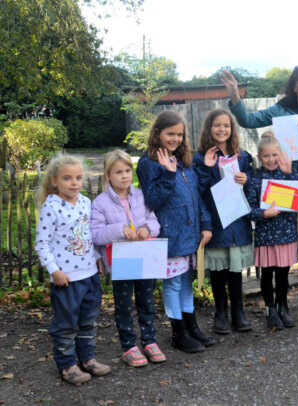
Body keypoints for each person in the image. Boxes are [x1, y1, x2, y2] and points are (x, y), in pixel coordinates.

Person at [222, 66, 298, 309]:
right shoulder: (282, 109)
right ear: (294, 86)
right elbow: (248, 120)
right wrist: (235, 96)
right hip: (285, 184)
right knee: (281, 234)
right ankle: (276, 301)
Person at [136, 111, 215, 353]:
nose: (176, 139)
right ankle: (178, 332)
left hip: (189, 233)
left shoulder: (184, 161)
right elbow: (154, 200)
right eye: (170, 134)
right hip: (169, 236)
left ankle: (191, 327)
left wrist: (205, 223)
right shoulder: (148, 163)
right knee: (171, 285)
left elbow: (196, 196)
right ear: (157, 133)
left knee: (185, 283)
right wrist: (168, 174)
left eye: (179, 134)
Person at [35, 154, 111, 385]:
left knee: (89, 320)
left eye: (78, 178)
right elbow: (42, 243)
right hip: (66, 280)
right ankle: (67, 366)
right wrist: (54, 271)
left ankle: (87, 359)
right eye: (67, 178)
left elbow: (90, 236)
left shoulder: (86, 203)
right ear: (54, 181)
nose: (74, 182)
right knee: (67, 324)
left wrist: (98, 258)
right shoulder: (52, 207)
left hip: (89, 276)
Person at [90, 150, 165, 367]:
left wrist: (146, 228)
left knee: (146, 300)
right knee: (123, 304)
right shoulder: (100, 203)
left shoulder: (141, 195)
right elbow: (96, 234)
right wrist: (120, 230)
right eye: (118, 172)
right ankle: (129, 346)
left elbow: (154, 221)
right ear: (107, 175)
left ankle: (149, 340)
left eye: (127, 171)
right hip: (121, 261)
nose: (124, 176)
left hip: (144, 258)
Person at [193, 109, 253, 334]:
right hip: (216, 222)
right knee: (218, 271)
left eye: (226, 125)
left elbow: (253, 187)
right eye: (217, 125)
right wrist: (208, 168)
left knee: (235, 270)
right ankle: (221, 312)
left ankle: (238, 311)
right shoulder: (200, 158)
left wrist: (247, 180)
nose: (222, 129)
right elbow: (197, 191)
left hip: (237, 220)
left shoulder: (243, 156)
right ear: (209, 128)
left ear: (232, 129)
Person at [246, 132, 298, 330]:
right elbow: (248, 210)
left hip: (286, 234)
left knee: (283, 275)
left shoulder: (288, 174)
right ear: (260, 158)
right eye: (266, 156)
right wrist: (264, 213)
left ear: (280, 155)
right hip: (266, 236)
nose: (271, 160)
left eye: (274, 155)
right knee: (267, 275)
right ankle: (269, 308)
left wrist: (290, 173)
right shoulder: (255, 179)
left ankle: (282, 306)